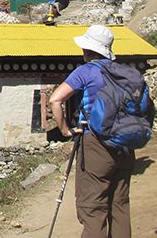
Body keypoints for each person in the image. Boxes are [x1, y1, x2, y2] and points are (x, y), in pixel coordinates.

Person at [48, 25, 134, 238]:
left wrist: (66, 130)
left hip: (96, 142)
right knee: (119, 203)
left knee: (93, 206)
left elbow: (55, 100)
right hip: (125, 142)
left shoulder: (85, 71)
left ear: (87, 49)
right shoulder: (124, 71)